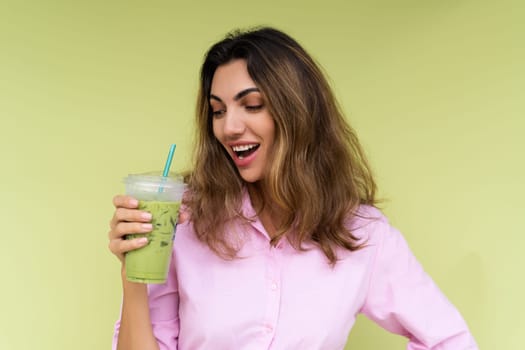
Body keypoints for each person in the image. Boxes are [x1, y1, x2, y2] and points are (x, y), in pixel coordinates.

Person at [108, 27, 478, 350]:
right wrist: (132, 275)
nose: (229, 127)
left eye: (251, 105)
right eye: (218, 111)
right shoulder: (184, 217)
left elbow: (449, 341)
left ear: (297, 112)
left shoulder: (363, 234)